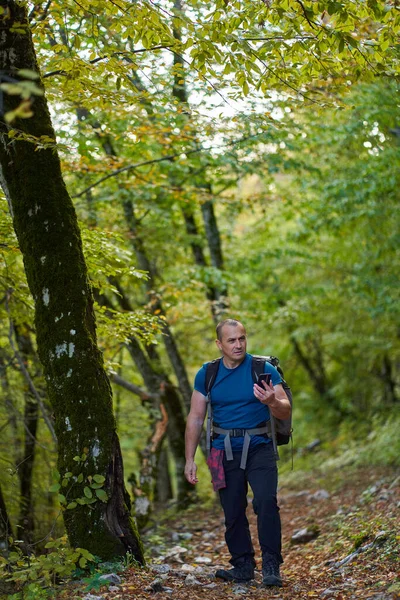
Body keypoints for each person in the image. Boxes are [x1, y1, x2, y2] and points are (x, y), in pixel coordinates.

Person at [184, 318, 291, 587]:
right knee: (232, 510)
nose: (238, 344)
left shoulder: (262, 369)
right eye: (231, 340)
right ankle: (242, 565)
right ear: (219, 344)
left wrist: (271, 401)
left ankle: (271, 564)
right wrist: (189, 460)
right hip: (219, 452)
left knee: (266, 501)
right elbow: (196, 418)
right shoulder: (207, 374)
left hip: (260, 445)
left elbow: (285, 409)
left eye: (242, 338)